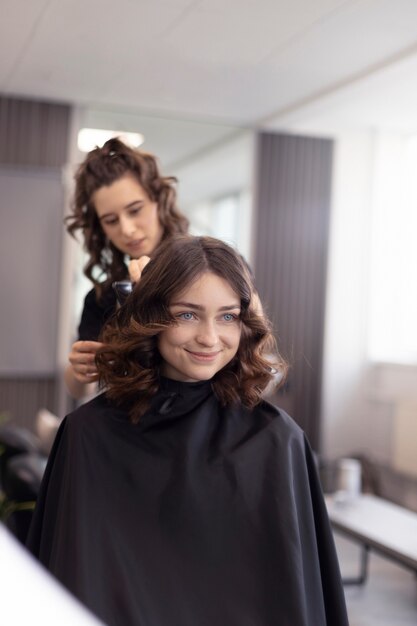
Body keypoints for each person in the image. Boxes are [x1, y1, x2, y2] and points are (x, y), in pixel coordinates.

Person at [27, 236, 348, 626]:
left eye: (227, 316)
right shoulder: (87, 435)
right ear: (152, 316)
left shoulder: (279, 441)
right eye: (187, 315)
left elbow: (294, 599)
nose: (209, 338)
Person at [64, 137, 189, 399]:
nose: (127, 229)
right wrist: (80, 370)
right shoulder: (104, 298)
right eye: (111, 220)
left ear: (158, 200)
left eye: (135, 210)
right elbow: (80, 390)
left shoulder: (208, 274)